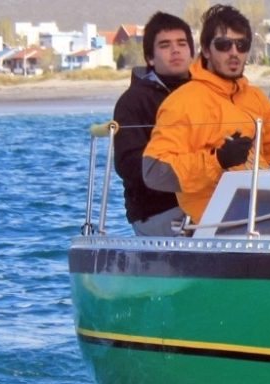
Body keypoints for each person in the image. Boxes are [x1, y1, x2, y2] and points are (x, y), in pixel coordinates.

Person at [143, 4, 270, 222]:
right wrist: (219, 160)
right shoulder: (183, 102)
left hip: (265, 213)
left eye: (241, 45)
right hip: (216, 224)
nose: (234, 52)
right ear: (206, 50)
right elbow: (154, 171)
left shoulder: (254, 97)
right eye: (224, 45)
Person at [112, 12, 193, 236]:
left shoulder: (207, 94)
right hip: (159, 211)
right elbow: (128, 164)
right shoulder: (132, 101)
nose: (175, 50)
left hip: (211, 199)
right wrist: (188, 174)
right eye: (165, 45)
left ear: (191, 52)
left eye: (182, 43)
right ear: (150, 57)